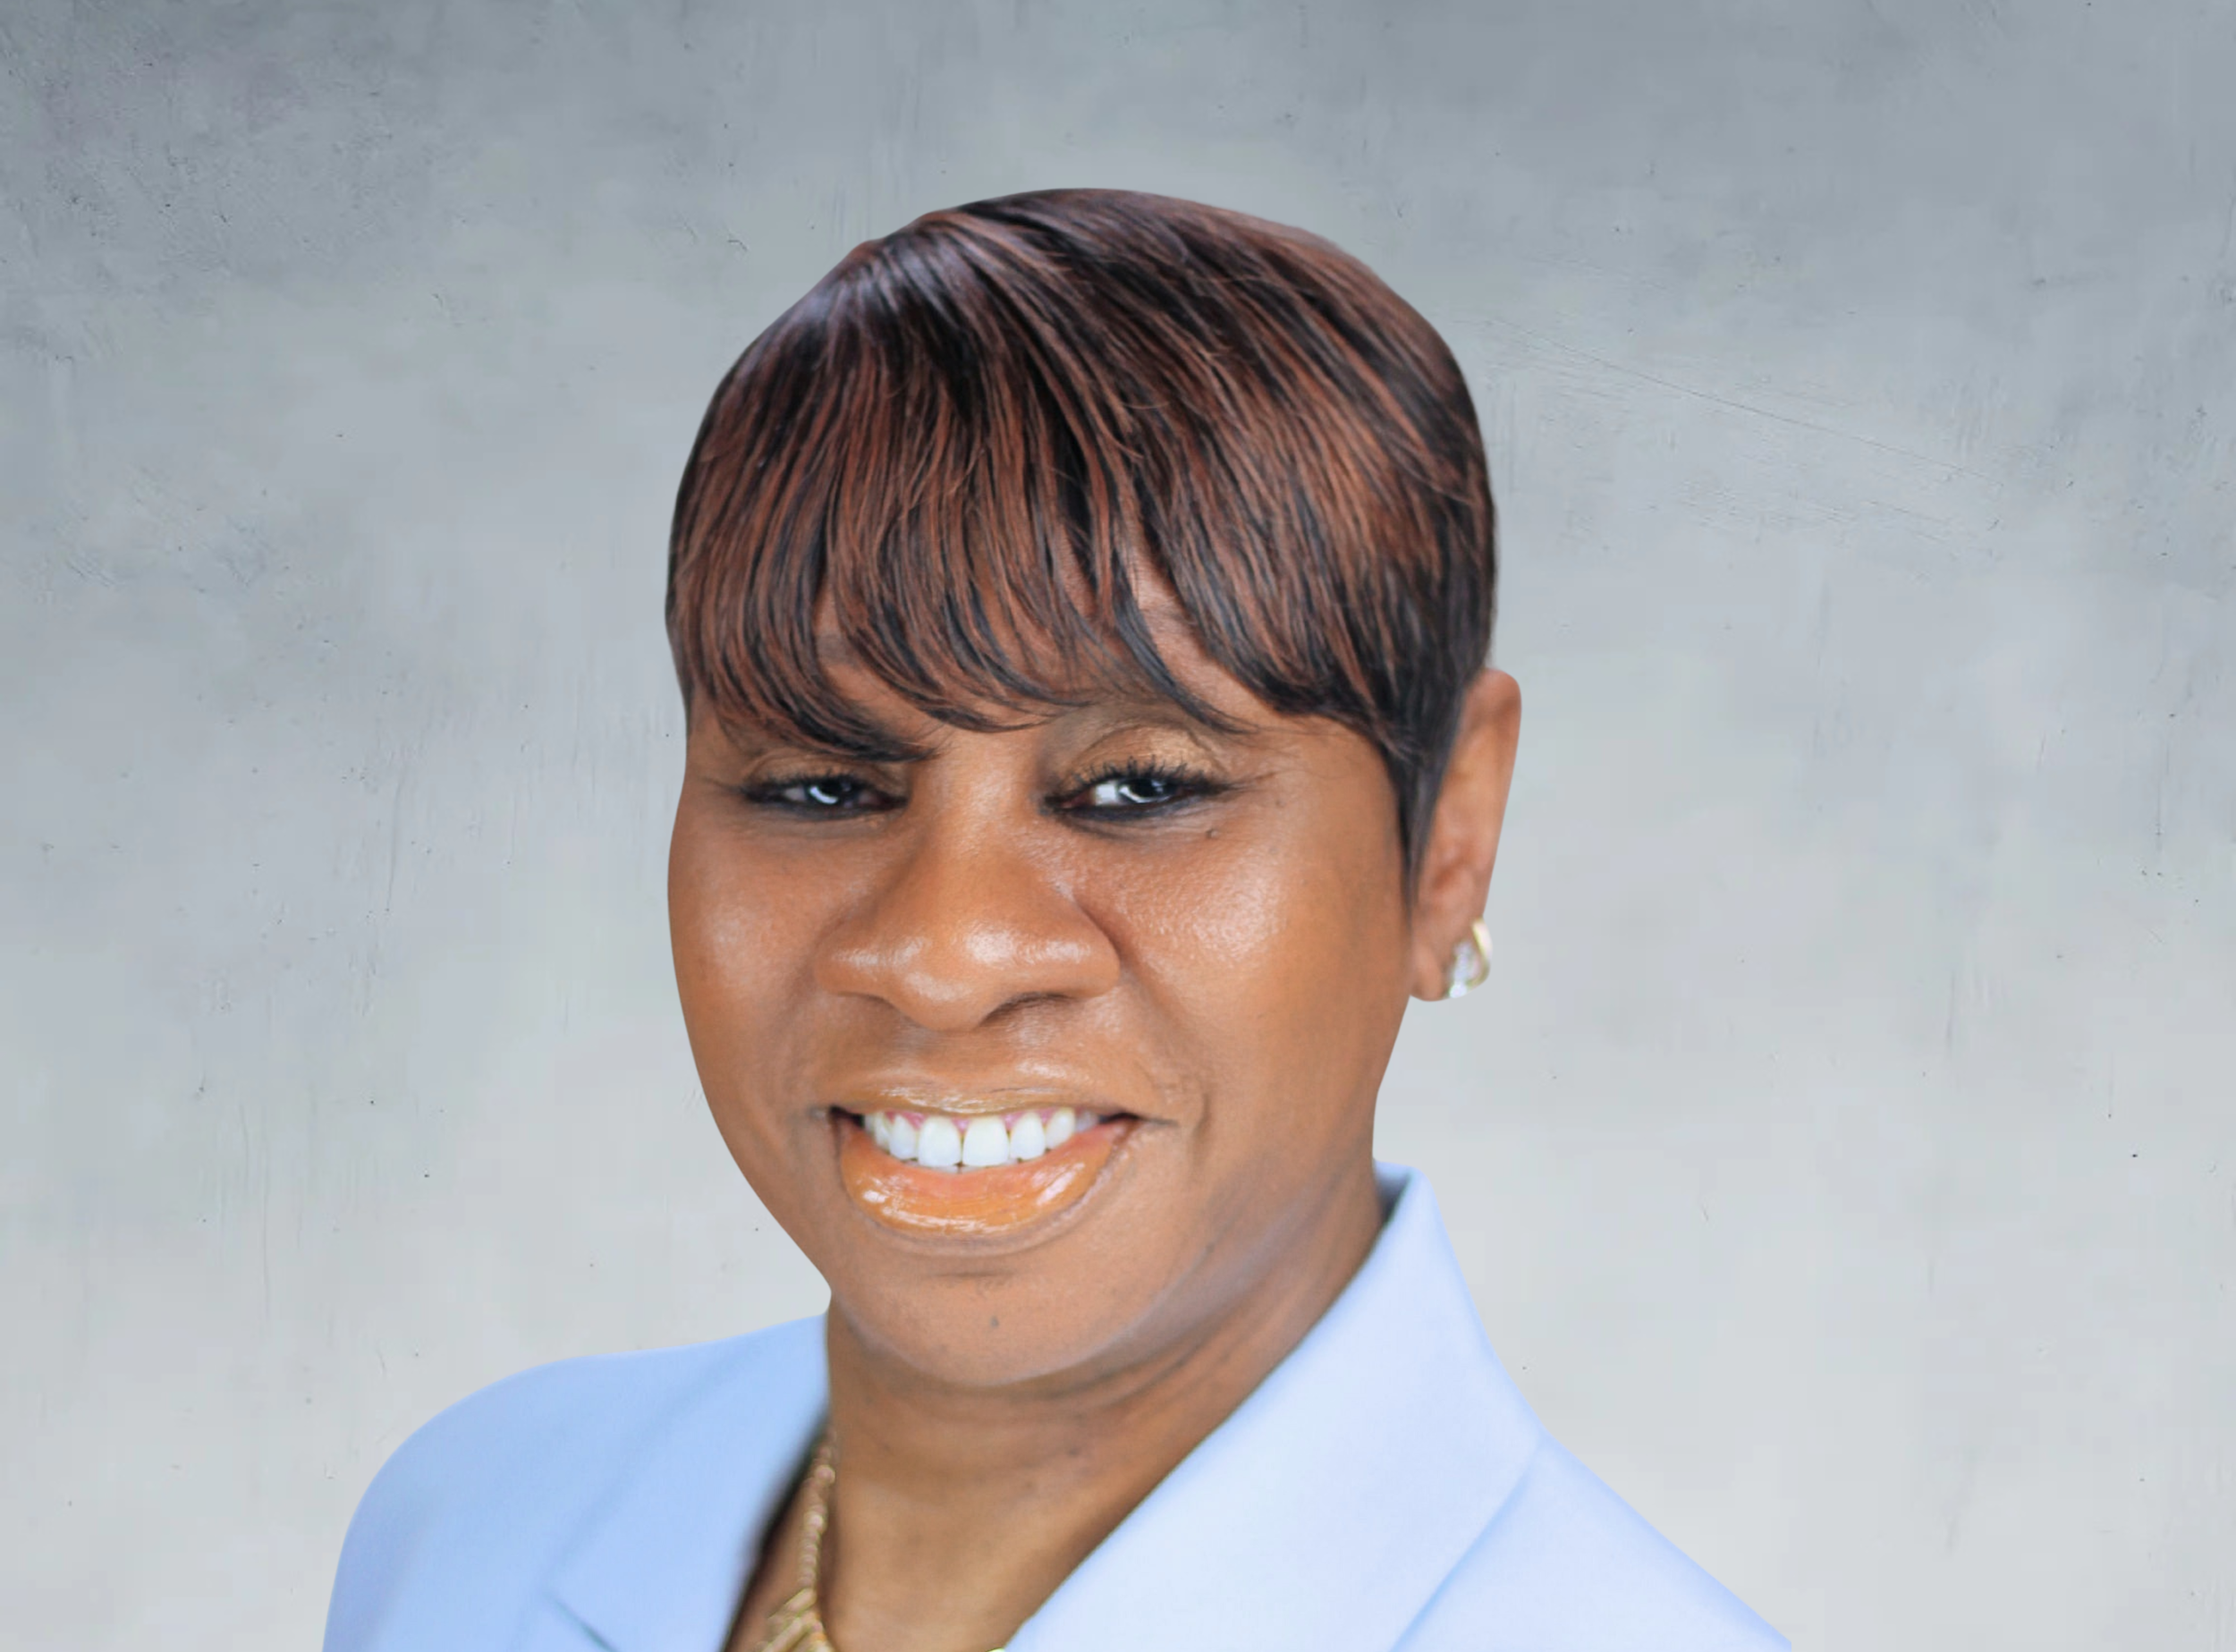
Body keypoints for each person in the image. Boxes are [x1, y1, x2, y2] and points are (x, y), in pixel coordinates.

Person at [321, 188, 1787, 1652]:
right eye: (822, 786)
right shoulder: (472, 1524)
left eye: (1141, 786)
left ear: (1449, 838)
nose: (944, 956)